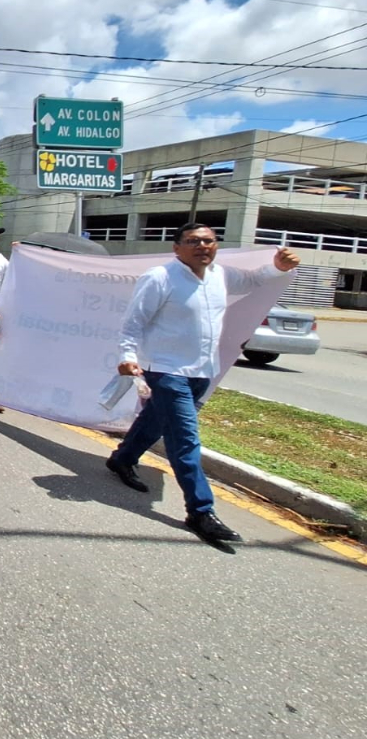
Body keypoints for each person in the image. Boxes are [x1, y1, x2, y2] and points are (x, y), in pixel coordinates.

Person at [107, 223, 299, 545]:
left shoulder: (220, 275)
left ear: (216, 246)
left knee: (154, 421)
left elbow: (253, 279)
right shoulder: (160, 277)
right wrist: (127, 355)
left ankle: (122, 459)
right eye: (193, 241)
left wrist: (276, 268)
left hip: (202, 370)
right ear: (177, 247)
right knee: (185, 441)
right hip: (166, 371)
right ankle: (200, 511)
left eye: (208, 241)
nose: (202, 246)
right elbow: (133, 323)